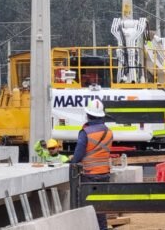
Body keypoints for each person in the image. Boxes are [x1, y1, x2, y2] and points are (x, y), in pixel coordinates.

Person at [70, 98, 113, 230]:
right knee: (101, 207)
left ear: (88, 115)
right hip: (104, 174)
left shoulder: (86, 132)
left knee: (86, 207)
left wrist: (71, 162)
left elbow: (78, 155)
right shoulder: (108, 131)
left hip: (89, 175)